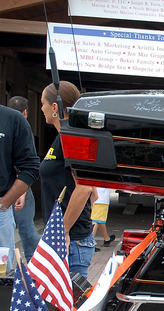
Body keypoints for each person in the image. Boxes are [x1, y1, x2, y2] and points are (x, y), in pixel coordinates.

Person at [40, 80, 96, 278]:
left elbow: (86, 187)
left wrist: (63, 230)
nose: (41, 108)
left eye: (43, 103)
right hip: (65, 238)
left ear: (55, 107)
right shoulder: (61, 137)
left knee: (68, 307)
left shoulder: (70, 137)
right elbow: (94, 192)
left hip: (71, 241)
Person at [0, 101, 40, 274]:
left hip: (1, 210)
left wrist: (3, 204)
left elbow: (30, 168)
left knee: (1, 274)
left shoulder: (12, 119)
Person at [91, 187, 115, 252]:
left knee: (100, 220)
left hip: (94, 197)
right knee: (95, 220)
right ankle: (90, 243)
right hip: (102, 199)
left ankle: (107, 238)